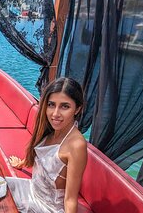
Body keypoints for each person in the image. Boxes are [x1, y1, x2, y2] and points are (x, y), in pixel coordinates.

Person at [6, 77, 87, 213]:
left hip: (47, 208)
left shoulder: (76, 145)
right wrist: (22, 163)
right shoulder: (50, 130)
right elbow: (42, 157)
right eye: (51, 105)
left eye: (65, 106)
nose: (55, 114)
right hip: (31, 192)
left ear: (77, 109)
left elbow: (70, 199)